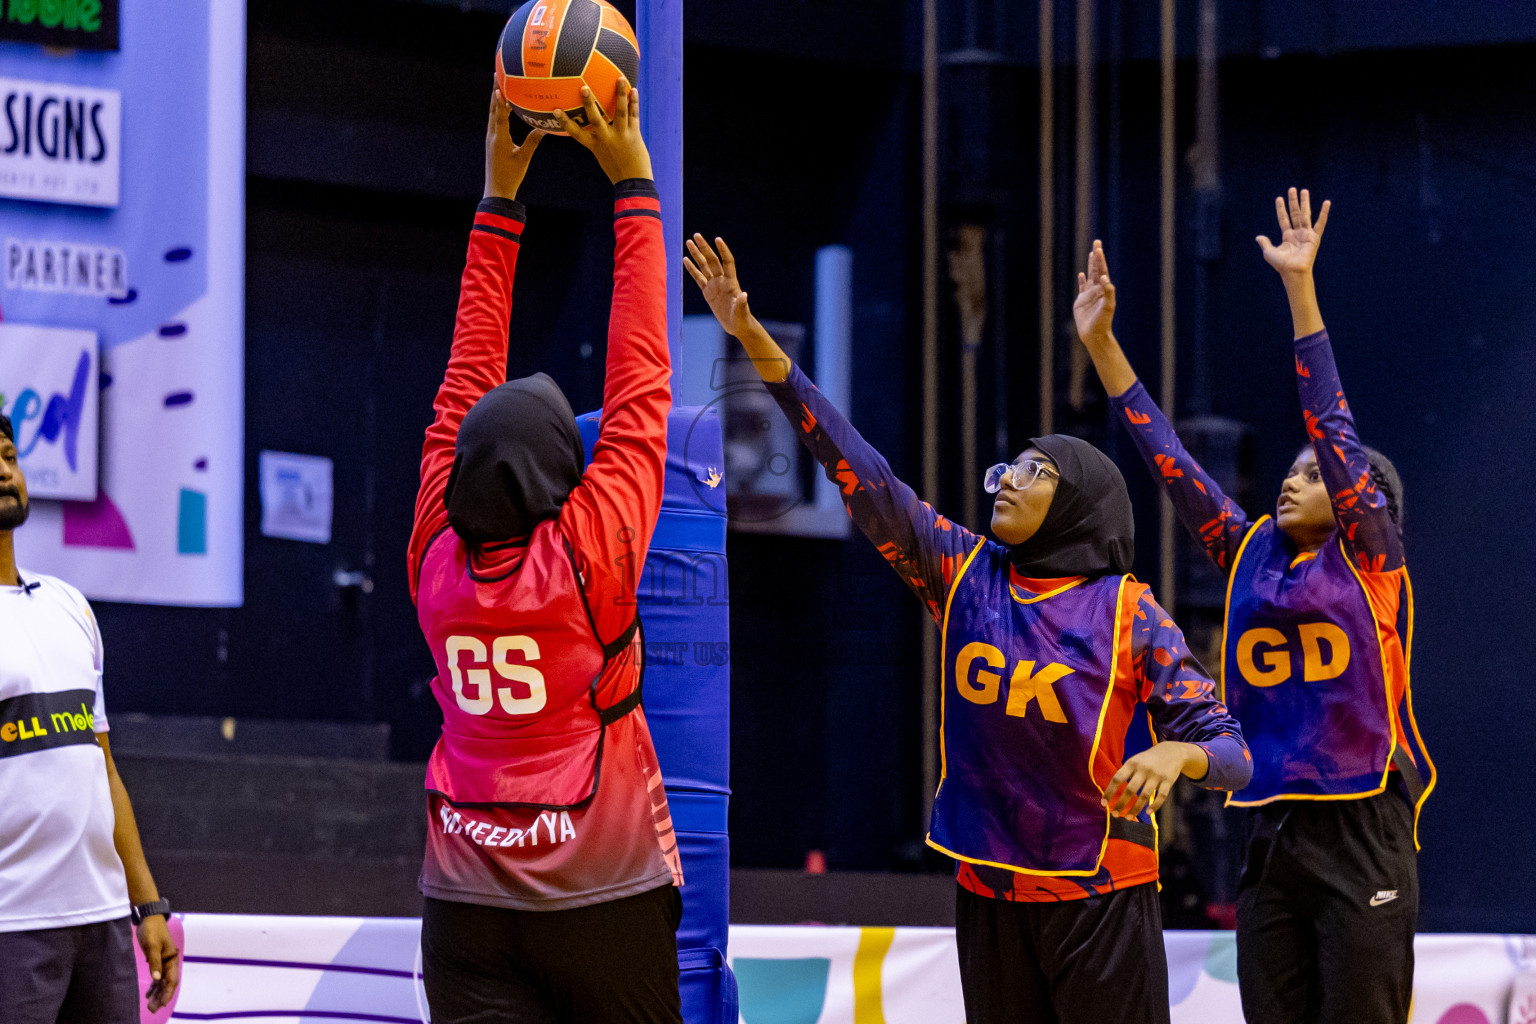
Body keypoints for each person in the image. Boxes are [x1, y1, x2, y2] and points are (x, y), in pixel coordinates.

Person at [684, 235, 1251, 1024]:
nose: (1008, 480)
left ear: (1080, 504)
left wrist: (1177, 750)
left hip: (1100, 897)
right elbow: (859, 467)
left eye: (1034, 472)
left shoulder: (1130, 612)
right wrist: (750, 336)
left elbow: (1233, 750)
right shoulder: (962, 571)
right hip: (988, 888)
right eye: (1006, 468)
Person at [1074, 190, 1434, 1024]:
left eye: (1315, 475)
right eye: (1296, 469)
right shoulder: (1248, 553)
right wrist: (1102, 346)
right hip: (1271, 832)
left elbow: (1333, 425)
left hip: (1362, 827)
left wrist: (1299, 290)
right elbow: (1166, 459)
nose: (1294, 476)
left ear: (1359, 497)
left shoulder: (1372, 557)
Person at [407, 84, 683, 1024]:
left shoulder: (433, 558)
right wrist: (632, 182)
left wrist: (498, 203)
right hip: (603, 893)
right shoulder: (588, 557)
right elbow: (642, 378)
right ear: (563, 479)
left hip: (465, 902)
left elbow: (462, 385)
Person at [0, 413, 180, 1022]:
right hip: (10, 925)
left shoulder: (68, 605)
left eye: (8, 455)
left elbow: (102, 769)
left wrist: (147, 904)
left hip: (100, 920)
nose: (3, 470)